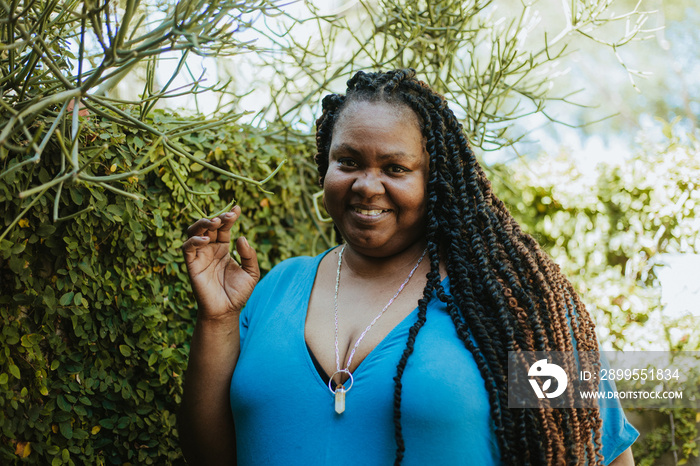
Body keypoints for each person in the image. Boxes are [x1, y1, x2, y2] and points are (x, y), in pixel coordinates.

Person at [178, 69, 638, 465]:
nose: (366, 185)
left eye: (395, 168)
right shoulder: (278, 286)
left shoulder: (516, 309)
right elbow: (211, 457)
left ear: (434, 178)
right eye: (348, 161)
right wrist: (217, 319)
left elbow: (601, 452)